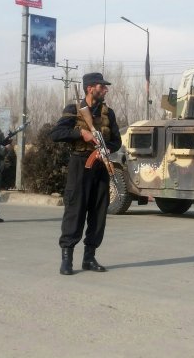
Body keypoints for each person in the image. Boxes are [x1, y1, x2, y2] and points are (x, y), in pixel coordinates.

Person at [50, 72, 122, 275]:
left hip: (100, 164)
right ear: (91, 88)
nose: (106, 90)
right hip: (80, 164)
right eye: (102, 86)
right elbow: (56, 134)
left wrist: (106, 148)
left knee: (99, 212)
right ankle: (67, 259)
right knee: (75, 210)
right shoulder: (73, 110)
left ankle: (89, 258)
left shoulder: (109, 113)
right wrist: (81, 133)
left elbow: (117, 141)